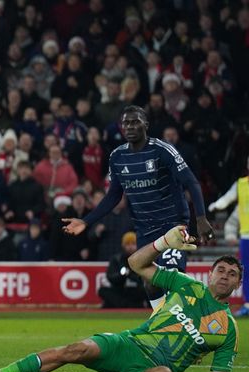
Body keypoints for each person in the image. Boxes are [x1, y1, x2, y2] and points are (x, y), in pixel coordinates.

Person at [0, 226, 248, 372]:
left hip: (154, 370)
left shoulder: (228, 329)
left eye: (232, 274)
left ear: (238, 284)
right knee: (75, 349)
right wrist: (163, 243)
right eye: (221, 270)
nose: (225, 276)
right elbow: (135, 263)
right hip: (127, 344)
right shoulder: (185, 283)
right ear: (211, 273)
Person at [63, 105, 213, 311]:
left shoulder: (162, 150)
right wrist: (86, 220)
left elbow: (192, 182)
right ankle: (163, 324)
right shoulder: (117, 157)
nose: (130, 126)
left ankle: (196, 315)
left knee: (171, 277)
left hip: (172, 225)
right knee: (149, 282)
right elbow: (114, 196)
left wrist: (201, 218)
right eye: (126, 123)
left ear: (146, 125)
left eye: (135, 122)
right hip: (144, 230)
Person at [208, 156, 249, 317]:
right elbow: (230, 200)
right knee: (246, 272)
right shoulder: (241, 185)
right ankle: (248, 304)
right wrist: (218, 205)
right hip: (246, 236)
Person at [99, 232, 146, 308]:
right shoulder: (117, 259)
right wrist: (122, 275)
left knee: (147, 290)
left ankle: (124, 305)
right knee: (103, 291)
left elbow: (144, 279)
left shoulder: (142, 259)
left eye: (133, 244)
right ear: (123, 245)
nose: (130, 247)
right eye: (128, 244)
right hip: (121, 290)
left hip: (136, 291)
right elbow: (111, 277)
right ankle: (133, 306)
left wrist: (130, 274)